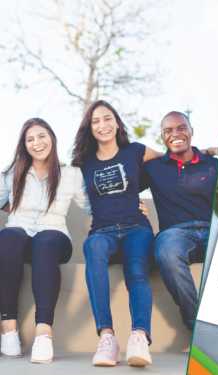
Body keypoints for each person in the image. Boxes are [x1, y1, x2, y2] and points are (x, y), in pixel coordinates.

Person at [0, 118, 147, 363]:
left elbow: (95, 205)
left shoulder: (70, 174)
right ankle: (8, 329)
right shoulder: (12, 172)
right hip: (18, 234)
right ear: (24, 145)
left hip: (54, 237)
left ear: (52, 138)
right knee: (7, 236)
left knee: (45, 243)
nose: (37, 143)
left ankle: (43, 333)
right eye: (30, 139)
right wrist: (16, 208)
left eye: (42, 136)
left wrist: (132, 207)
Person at [71, 100, 164, 367]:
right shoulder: (82, 163)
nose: (103, 125)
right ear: (89, 128)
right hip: (102, 231)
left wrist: (205, 151)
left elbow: (171, 159)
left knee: (136, 269)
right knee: (94, 250)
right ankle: (107, 338)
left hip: (137, 228)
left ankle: (139, 337)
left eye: (107, 118)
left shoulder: (135, 151)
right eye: (96, 121)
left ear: (117, 123)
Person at [139, 111, 218, 331]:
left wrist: (214, 151)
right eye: (168, 130)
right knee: (166, 251)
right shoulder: (153, 168)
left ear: (191, 131)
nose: (175, 134)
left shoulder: (214, 164)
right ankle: (198, 326)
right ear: (162, 137)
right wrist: (134, 206)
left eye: (182, 128)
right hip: (176, 234)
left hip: (214, 229)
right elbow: (122, 185)